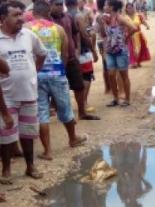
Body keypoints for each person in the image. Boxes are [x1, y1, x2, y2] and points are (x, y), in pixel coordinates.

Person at [28, 0, 87, 161]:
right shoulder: (58, 28)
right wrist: (60, 69)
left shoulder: (27, 29)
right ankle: (73, 138)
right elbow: (66, 54)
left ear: (33, 13)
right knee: (65, 108)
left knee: (42, 113)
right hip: (57, 73)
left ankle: (47, 151)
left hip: (37, 75)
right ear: (48, 13)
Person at [0, 0, 47, 182]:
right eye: (16, 15)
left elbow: (41, 54)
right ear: (3, 18)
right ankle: (6, 170)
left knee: (28, 133)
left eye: (21, 14)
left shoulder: (29, 35)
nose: (21, 18)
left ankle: (30, 166)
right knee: (5, 134)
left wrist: (33, 72)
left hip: (29, 94)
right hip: (6, 97)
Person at [51, 0, 100, 120]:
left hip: (72, 57)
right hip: (55, 60)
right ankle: (60, 113)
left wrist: (77, 48)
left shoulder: (68, 17)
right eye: (56, 4)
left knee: (79, 86)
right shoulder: (47, 20)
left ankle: (82, 113)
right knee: (57, 88)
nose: (59, 7)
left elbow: (76, 34)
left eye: (60, 4)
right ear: (50, 6)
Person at [102, 0, 136, 107]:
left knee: (123, 75)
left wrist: (126, 37)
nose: (104, 7)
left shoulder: (120, 18)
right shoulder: (107, 19)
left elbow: (134, 28)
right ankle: (115, 99)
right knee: (111, 74)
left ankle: (127, 99)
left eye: (106, 5)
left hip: (121, 50)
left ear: (111, 7)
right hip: (110, 50)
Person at [69, 0, 98, 116]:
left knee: (74, 79)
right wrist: (94, 50)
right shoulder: (78, 16)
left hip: (69, 53)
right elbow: (85, 36)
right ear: (76, 3)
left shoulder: (63, 16)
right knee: (86, 77)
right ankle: (84, 103)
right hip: (82, 52)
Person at [125, 3, 151, 68]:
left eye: (131, 7)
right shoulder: (125, 17)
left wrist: (147, 25)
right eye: (128, 8)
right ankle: (133, 62)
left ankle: (138, 61)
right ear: (126, 9)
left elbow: (143, 21)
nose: (130, 9)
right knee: (131, 49)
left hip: (138, 35)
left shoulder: (138, 15)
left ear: (133, 8)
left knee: (140, 49)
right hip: (130, 35)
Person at [95, 0, 111, 94]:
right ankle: (110, 87)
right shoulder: (103, 16)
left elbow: (96, 31)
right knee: (109, 65)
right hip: (105, 42)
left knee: (105, 65)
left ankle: (107, 87)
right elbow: (103, 33)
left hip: (100, 41)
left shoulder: (98, 16)